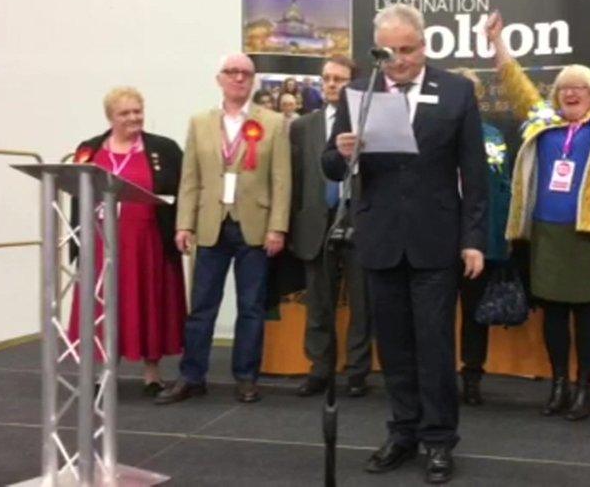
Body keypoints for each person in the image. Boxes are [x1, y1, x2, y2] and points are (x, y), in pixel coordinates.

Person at [322, 4, 487, 484]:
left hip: (436, 238)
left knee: (434, 345)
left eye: (408, 49)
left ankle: (438, 440)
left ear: (425, 45)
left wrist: (473, 239)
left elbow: (473, 173)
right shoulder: (359, 91)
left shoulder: (456, 91)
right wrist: (342, 152)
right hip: (379, 237)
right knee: (392, 346)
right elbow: (329, 165)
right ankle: (402, 431)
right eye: (390, 51)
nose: (399, 60)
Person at [486, 4, 590, 421]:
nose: (571, 92)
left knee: (587, 313)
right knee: (554, 313)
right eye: (564, 88)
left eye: (581, 88)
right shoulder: (544, 120)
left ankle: (585, 388)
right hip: (548, 233)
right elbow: (516, 84)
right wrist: (497, 42)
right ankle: (558, 384)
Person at [156, 53, 291, 405]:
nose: (238, 78)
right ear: (219, 79)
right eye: (232, 72)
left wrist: (278, 227)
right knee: (202, 306)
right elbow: (190, 179)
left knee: (251, 307)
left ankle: (246, 377)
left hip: (256, 227)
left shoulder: (273, 123)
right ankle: (191, 375)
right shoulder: (199, 122)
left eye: (245, 73)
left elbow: (281, 181)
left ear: (253, 81)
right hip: (210, 225)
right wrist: (183, 223)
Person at [68, 86, 187, 396]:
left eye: (138, 110)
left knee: (148, 302)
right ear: (110, 117)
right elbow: (76, 193)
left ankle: (152, 373)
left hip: (148, 242)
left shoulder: (165, 149)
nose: (134, 117)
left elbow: (185, 192)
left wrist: (183, 229)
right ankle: (104, 372)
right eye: (125, 113)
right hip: (100, 241)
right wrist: (76, 241)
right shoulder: (89, 149)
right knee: (104, 304)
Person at [289, 55, 372, 398]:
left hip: (360, 215)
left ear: (354, 83)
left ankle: (357, 371)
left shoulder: (370, 121)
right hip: (316, 220)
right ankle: (320, 368)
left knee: (362, 301)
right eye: (326, 78)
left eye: (340, 79)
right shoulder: (303, 125)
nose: (331, 84)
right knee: (319, 302)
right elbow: (296, 177)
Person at [447, 67, 514, 407]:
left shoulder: (493, 136)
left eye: (471, 92)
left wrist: (500, 241)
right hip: (439, 240)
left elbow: (502, 190)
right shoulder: (431, 133)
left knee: (475, 314)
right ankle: (439, 376)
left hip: (480, 240)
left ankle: (472, 375)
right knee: (437, 314)